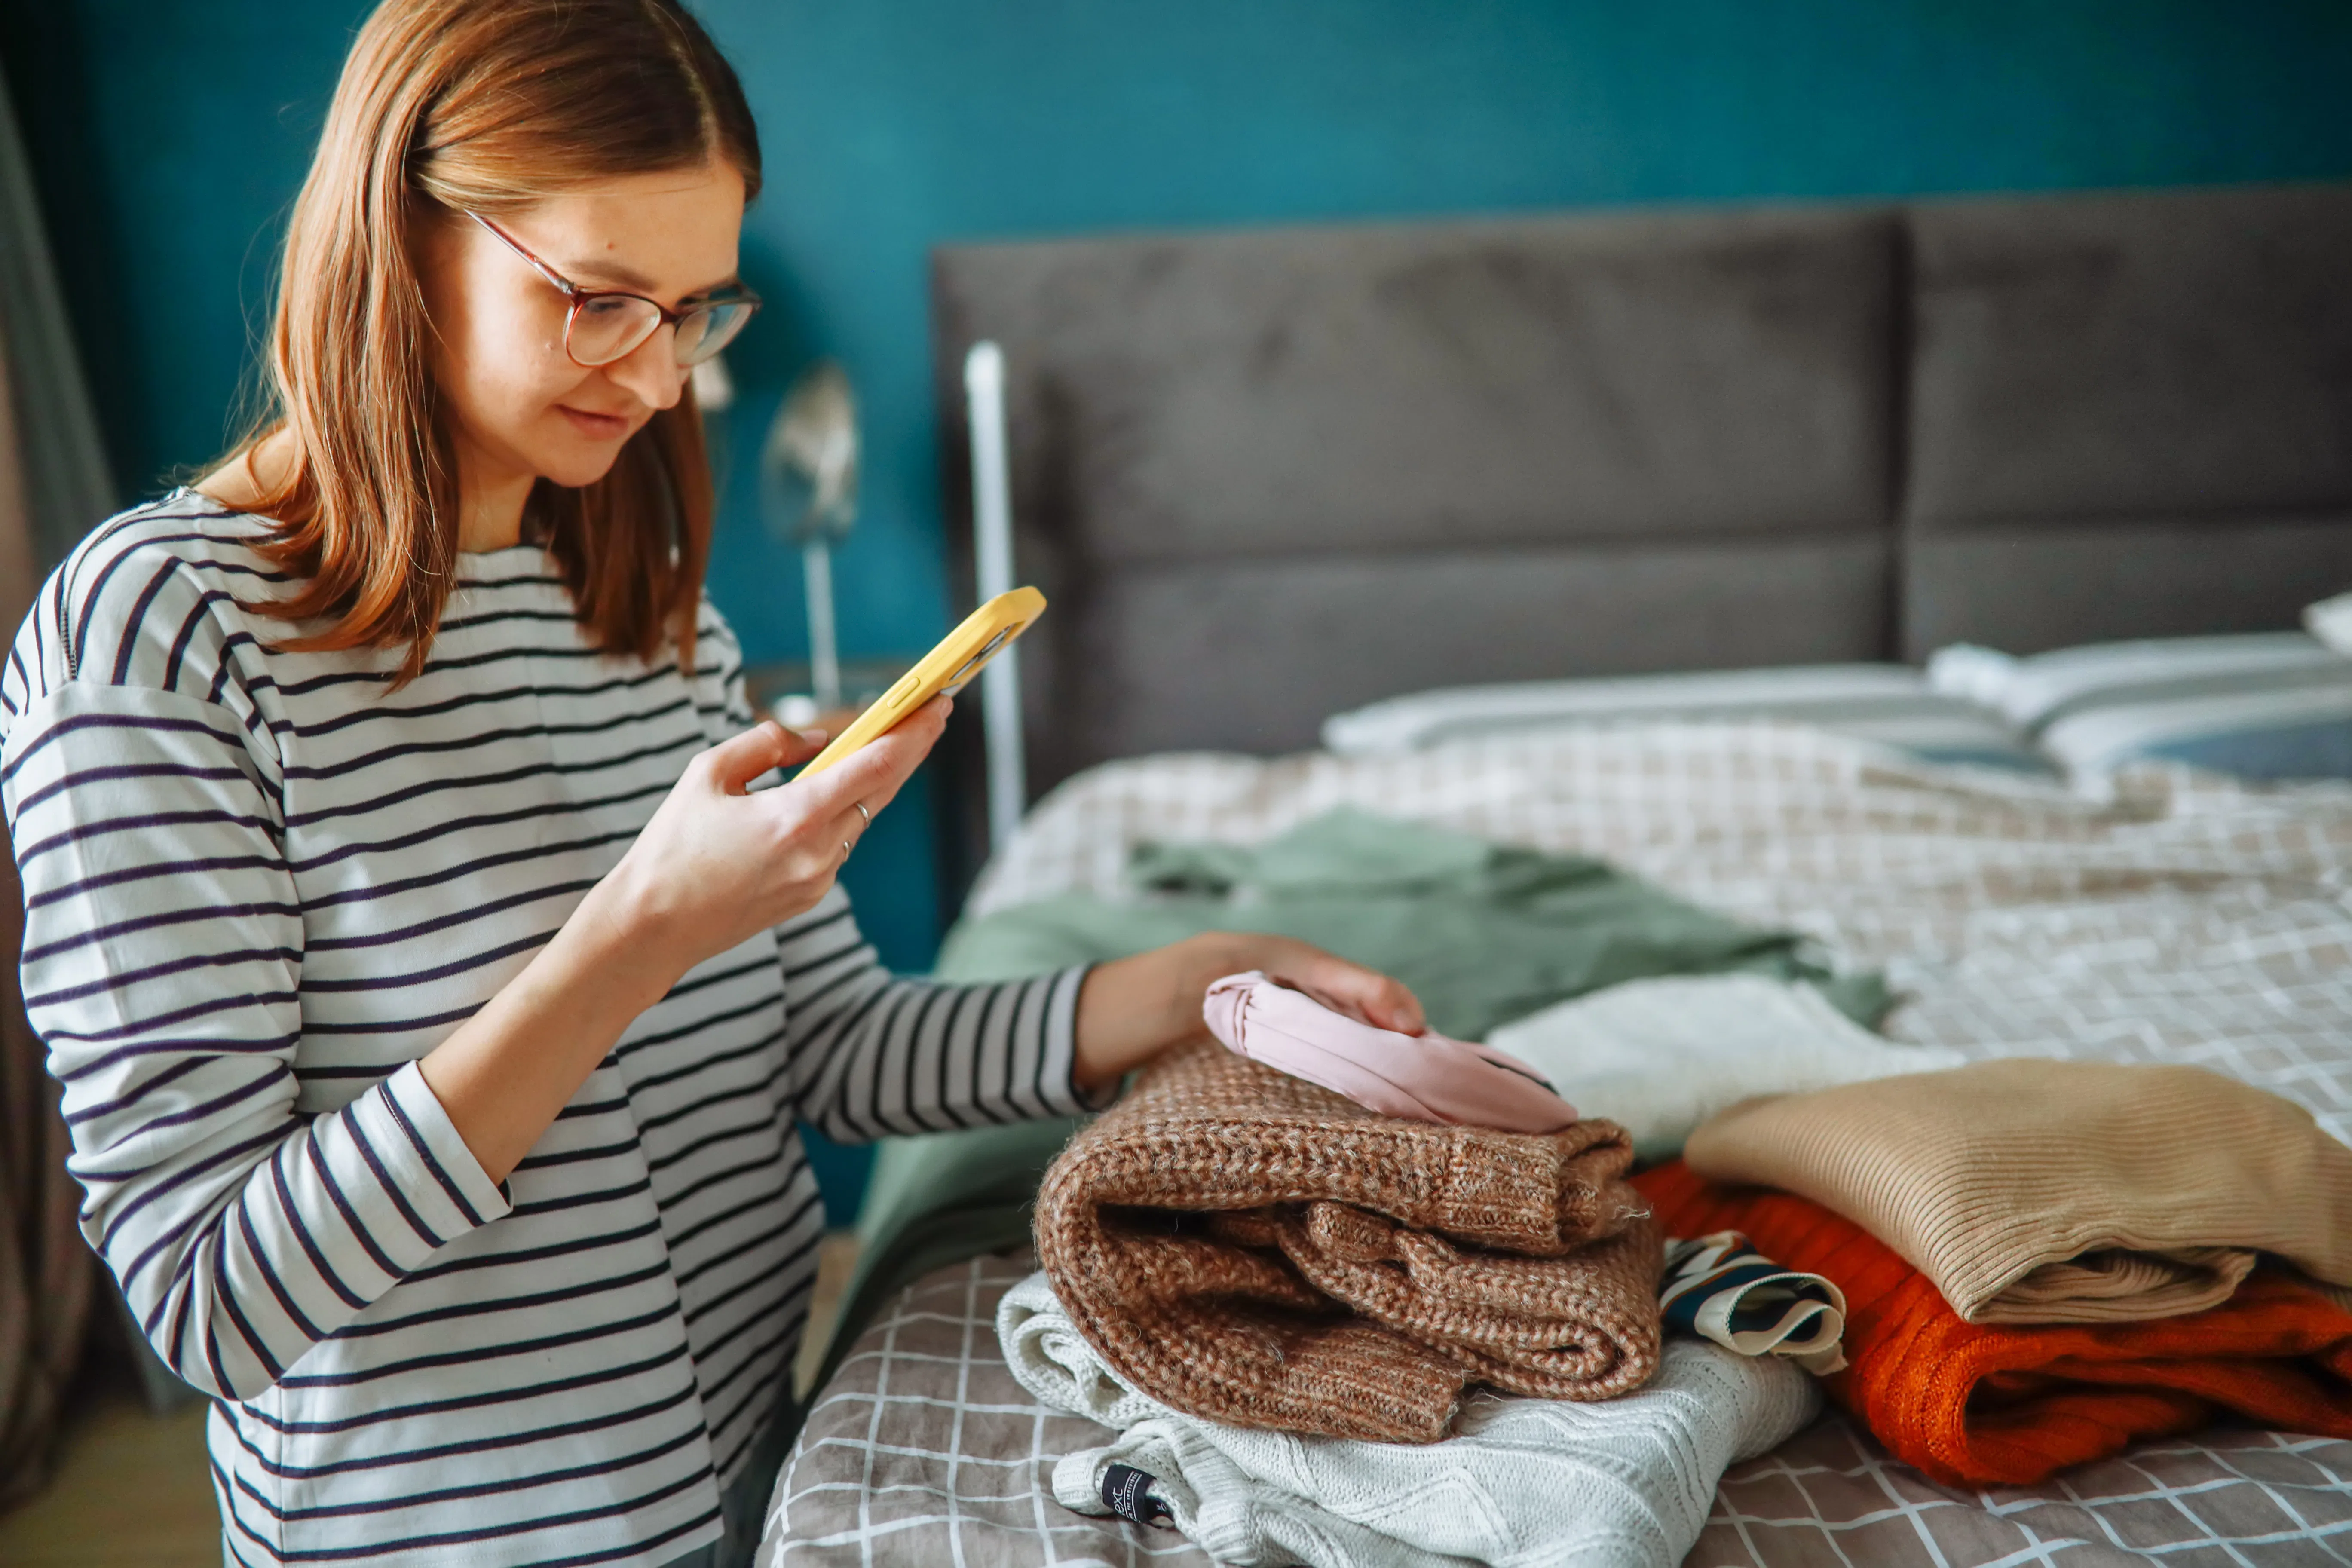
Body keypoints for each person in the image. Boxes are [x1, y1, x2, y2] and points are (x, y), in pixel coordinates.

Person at [0, 3, 1423, 1565]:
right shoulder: (158, 633)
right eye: (603, 302)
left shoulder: (647, 620)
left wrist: (1195, 981)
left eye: (692, 313)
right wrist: (639, 935)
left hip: (770, 1501)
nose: (661, 379)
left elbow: (827, 1051)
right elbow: (210, 1297)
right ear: (401, 235)